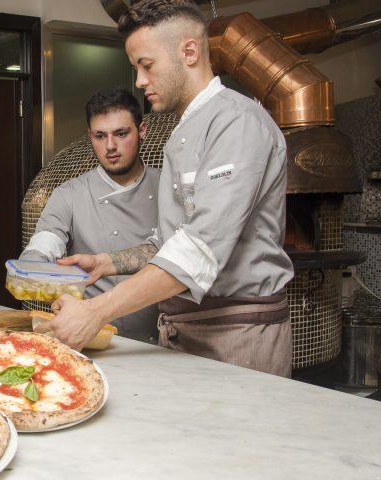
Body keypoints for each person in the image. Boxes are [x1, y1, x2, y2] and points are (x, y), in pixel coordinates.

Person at [37, 0, 294, 377]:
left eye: (147, 65)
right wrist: (106, 263)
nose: (140, 81)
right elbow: (171, 241)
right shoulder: (181, 132)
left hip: (236, 331)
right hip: (183, 328)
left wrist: (95, 311)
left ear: (189, 51)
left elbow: (198, 251)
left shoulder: (236, 122)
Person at [20, 88, 160, 344]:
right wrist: (33, 263)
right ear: (90, 136)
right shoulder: (70, 193)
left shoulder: (166, 189)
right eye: (100, 135)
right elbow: (46, 241)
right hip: (91, 339)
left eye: (121, 133)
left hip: (161, 342)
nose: (110, 146)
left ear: (142, 131)